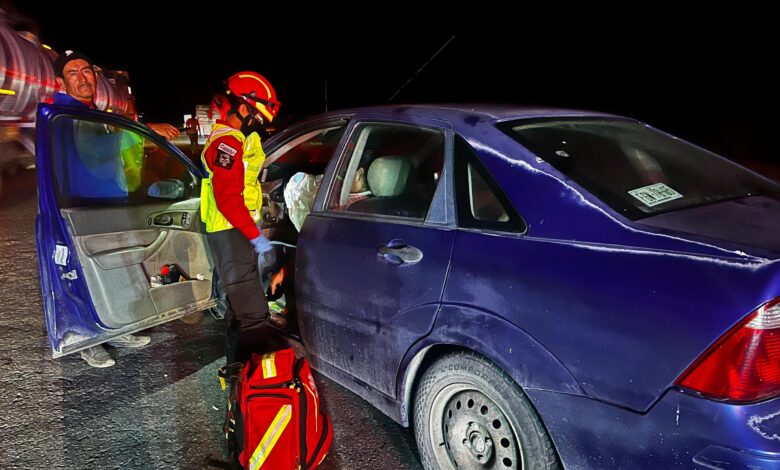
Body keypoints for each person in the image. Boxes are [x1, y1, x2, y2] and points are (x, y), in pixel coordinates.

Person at [52, 50, 180, 368]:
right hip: (83, 209)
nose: (82, 77)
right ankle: (85, 340)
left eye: (86, 70)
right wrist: (145, 130)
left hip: (107, 207)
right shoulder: (64, 115)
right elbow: (96, 151)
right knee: (81, 276)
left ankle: (114, 329)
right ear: (60, 82)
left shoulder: (92, 113)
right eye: (73, 73)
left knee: (109, 271)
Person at [200, 70, 284, 363]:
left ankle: (238, 373)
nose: (260, 123)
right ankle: (254, 379)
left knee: (241, 309)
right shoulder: (227, 143)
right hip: (230, 231)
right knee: (254, 315)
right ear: (243, 108)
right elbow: (228, 200)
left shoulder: (239, 139)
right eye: (258, 117)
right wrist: (256, 236)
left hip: (236, 230)